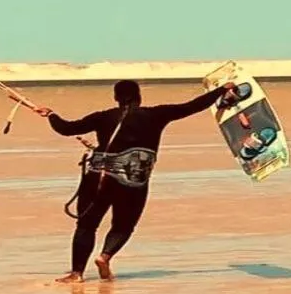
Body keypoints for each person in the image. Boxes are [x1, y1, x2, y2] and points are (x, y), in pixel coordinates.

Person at [36, 79, 235, 283]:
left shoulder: (102, 117)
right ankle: (104, 257)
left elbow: (67, 129)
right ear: (139, 97)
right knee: (123, 225)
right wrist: (221, 90)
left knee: (86, 225)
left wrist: (51, 115)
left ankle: (76, 273)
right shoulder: (157, 115)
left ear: (116, 98)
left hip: (99, 177)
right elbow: (193, 106)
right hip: (133, 180)